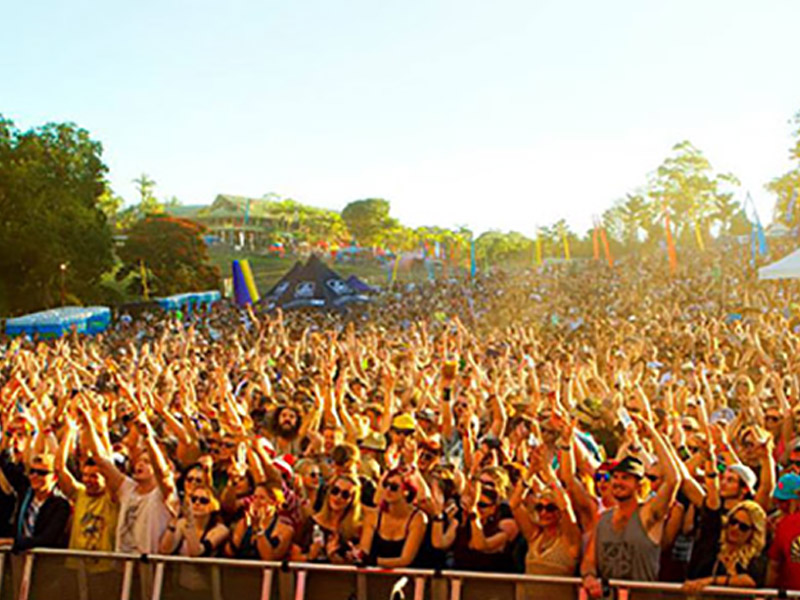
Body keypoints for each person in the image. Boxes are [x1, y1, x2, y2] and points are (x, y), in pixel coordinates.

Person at [581, 415, 680, 598]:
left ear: (639, 485)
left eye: (625, 478)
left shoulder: (648, 514)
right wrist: (589, 577)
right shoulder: (603, 519)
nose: (618, 482)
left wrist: (653, 434)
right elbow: (589, 561)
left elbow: (674, 479)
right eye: (615, 477)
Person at [683, 500, 767, 592]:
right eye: (733, 522)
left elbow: (750, 581)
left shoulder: (755, 557)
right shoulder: (713, 545)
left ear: (753, 532)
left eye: (743, 527)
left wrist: (711, 581)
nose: (735, 528)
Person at [159, 485, 230, 594]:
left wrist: (190, 522)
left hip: (206, 592)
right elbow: (165, 550)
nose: (197, 503)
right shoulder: (182, 523)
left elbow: (196, 552)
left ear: (214, 505)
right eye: (193, 499)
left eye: (203, 500)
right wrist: (174, 520)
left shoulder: (220, 529)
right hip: (180, 589)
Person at [360, 468, 427, 568]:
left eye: (394, 487)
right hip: (374, 572)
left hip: (406, 573)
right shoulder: (374, 516)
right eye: (385, 485)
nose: (387, 490)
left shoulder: (418, 518)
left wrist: (374, 561)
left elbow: (405, 560)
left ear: (406, 492)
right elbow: (364, 552)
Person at [292, 473, 362, 563]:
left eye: (345, 494)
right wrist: (310, 556)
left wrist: (335, 557)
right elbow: (293, 557)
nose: (338, 497)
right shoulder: (310, 523)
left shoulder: (355, 531)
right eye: (335, 491)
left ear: (352, 500)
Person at [767, 473, 800, 589]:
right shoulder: (780, 523)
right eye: (778, 502)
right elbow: (774, 566)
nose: (781, 506)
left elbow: (773, 567)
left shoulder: (786, 524)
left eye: (785, 502)